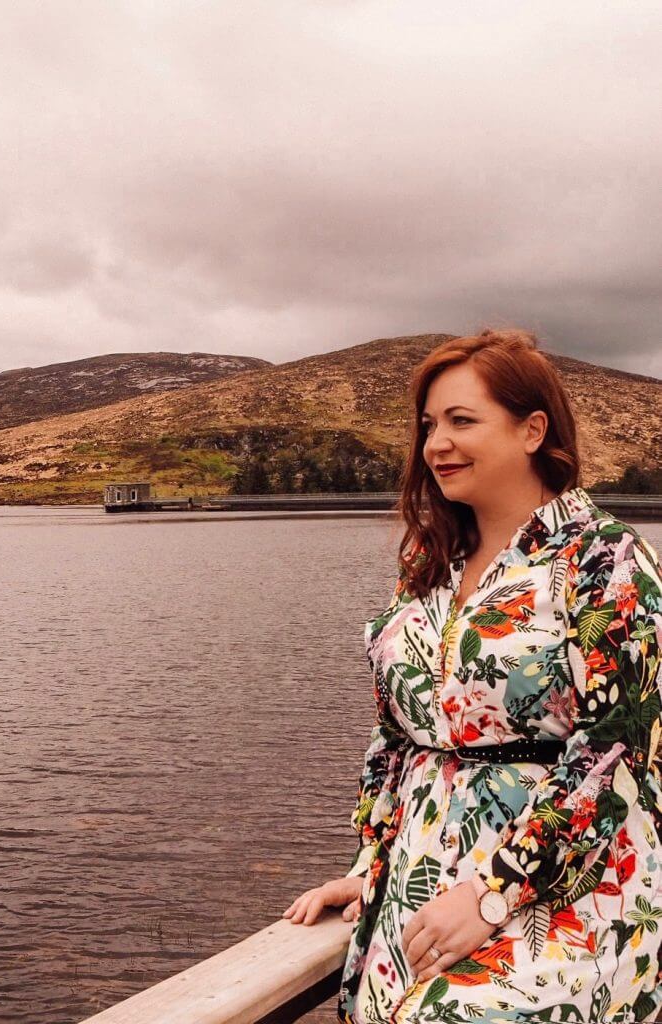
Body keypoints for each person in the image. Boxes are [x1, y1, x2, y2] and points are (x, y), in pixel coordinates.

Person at [282, 329, 662, 1023]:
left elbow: (613, 754)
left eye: (461, 421)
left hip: (567, 885)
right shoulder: (430, 560)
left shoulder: (605, 559)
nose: (435, 445)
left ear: (531, 429)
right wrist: (368, 862)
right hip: (419, 880)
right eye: (428, 425)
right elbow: (393, 739)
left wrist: (494, 893)